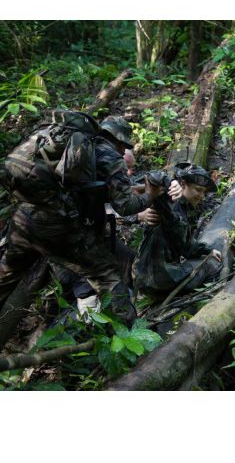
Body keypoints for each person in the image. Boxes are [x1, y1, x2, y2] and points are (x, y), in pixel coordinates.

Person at [0, 114, 164, 325]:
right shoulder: (111, 157)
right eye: (124, 146)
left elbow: (91, 190)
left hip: (25, 216)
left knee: (6, 274)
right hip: (55, 225)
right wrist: (150, 194)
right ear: (118, 140)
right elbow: (125, 206)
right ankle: (132, 335)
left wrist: (136, 190)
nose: (124, 151)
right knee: (107, 275)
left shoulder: (81, 148)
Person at [132, 163, 222, 299]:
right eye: (198, 190)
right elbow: (151, 177)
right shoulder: (168, 200)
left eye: (204, 191)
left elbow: (185, 247)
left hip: (151, 278)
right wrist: (171, 182)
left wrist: (207, 250)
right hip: (157, 278)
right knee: (214, 265)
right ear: (183, 184)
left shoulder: (186, 209)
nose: (201, 195)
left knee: (206, 260)